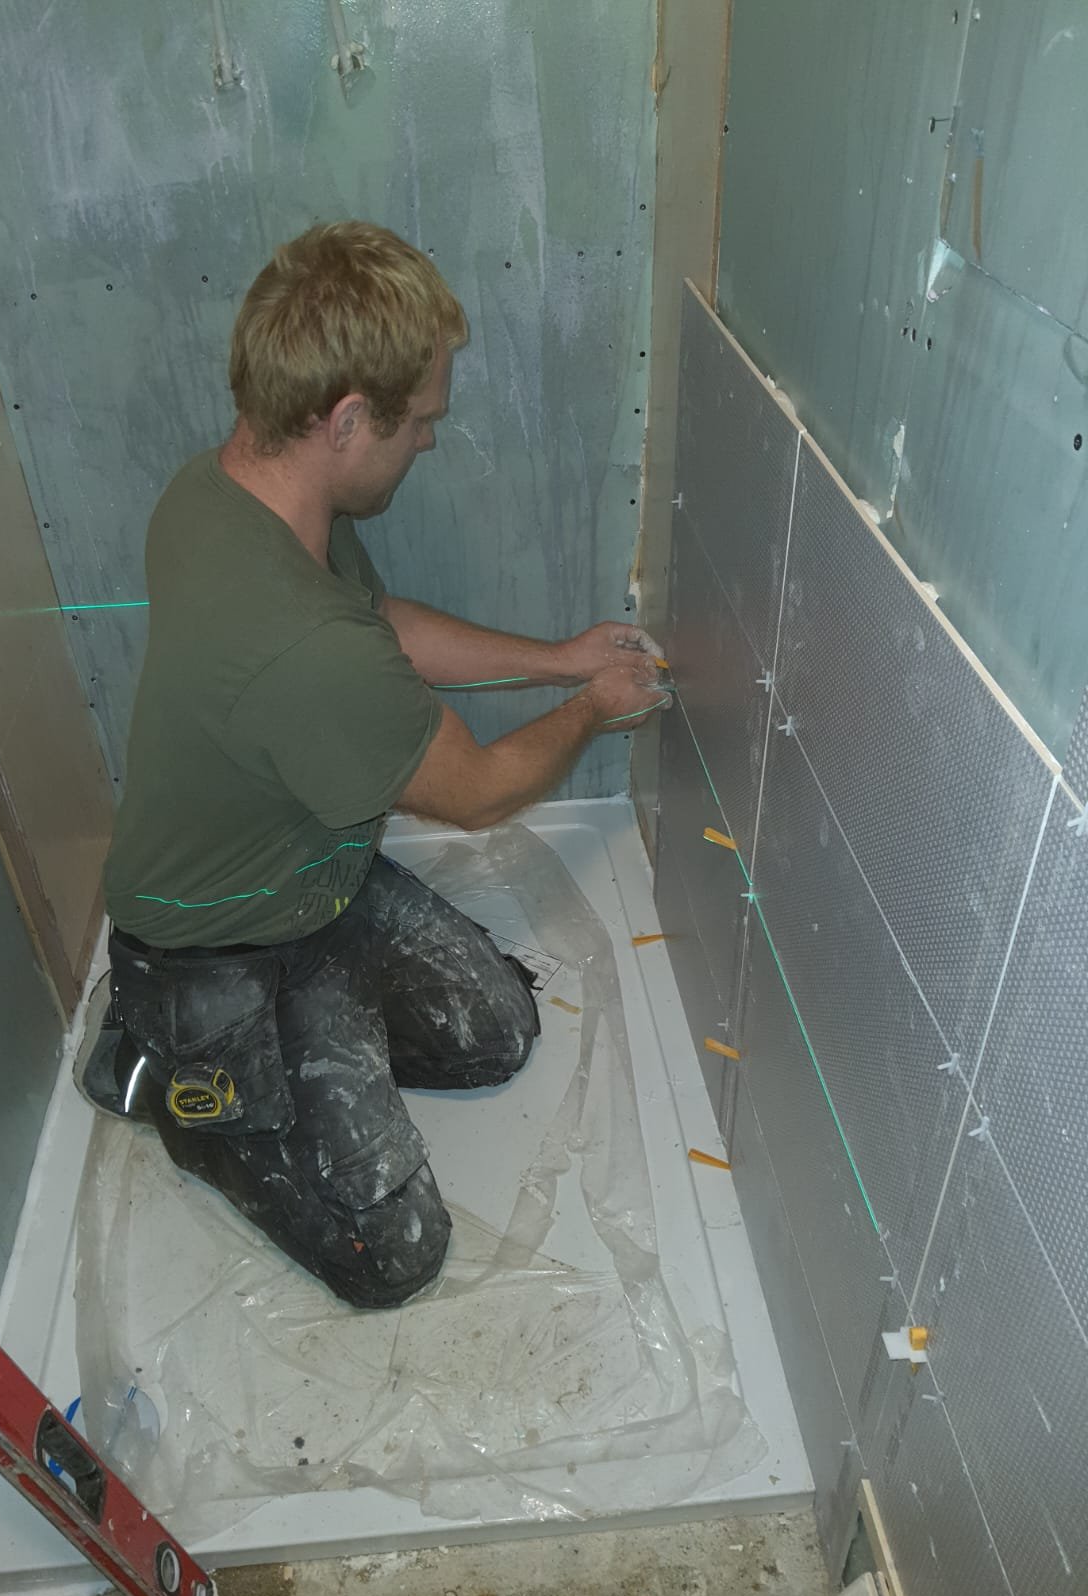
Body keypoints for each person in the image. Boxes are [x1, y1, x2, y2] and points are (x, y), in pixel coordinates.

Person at [78, 220, 669, 1308]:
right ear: (347, 420)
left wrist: (560, 659)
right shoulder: (300, 643)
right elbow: (477, 791)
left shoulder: (226, 493)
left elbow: (377, 622)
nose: (430, 441)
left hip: (313, 879)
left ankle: (309, 1038)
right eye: (422, 420)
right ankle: (176, 1078)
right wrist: (594, 708)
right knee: (391, 1252)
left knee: (495, 1032)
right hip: (211, 950)